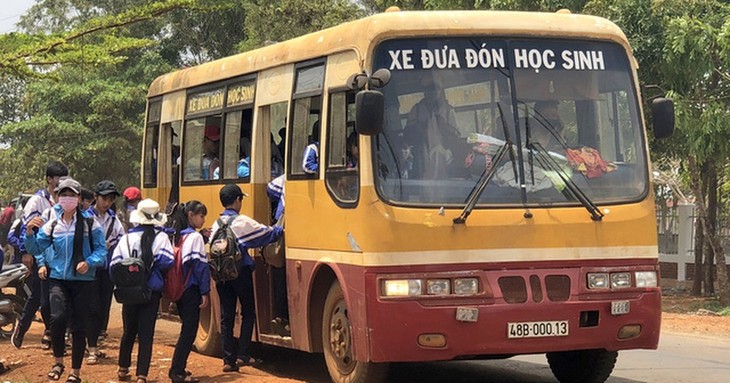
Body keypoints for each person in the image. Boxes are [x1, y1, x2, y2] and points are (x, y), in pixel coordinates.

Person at [24, 177, 108, 383]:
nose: (67, 198)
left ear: (79, 198)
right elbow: (35, 249)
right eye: (64, 195)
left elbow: (102, 250)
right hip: (57, 278)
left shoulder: (90, 223)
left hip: (82, 280)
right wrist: (28, 233)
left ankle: (75, 372)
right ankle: (58, 361)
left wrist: (89, 262)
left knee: (79, 326)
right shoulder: (52, 225)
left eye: (72, 195)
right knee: (58, 318)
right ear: (58, 198)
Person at [213, 184, 283, 372]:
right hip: (239, 273)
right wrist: (281, 226)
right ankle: (243, 354)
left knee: (226, 317)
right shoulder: (241, 221)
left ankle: (228, 360)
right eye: (240, 199)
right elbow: (266, 235)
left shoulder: (216, 224)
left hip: (221, 275)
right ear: (237, 200)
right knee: (248, 312)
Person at [111, 199, 173, 383]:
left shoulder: (126, 238)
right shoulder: (161, 238)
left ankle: (123, 368)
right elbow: (167, 261)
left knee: (129, 330)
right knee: (146, 333)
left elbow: (114, 264)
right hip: (150, 291)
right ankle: (142, 375)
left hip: (129, 291)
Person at [10, 161, 68, 351]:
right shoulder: (37, 201)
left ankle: (49, 333)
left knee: (48, 296)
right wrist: (27, 252)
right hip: (39, 253)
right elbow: (28, 227)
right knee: (40, 297)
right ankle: (29, 330)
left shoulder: (65, 200)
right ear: (49, 179)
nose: (61, 182)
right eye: (58, 178)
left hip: (59, 255)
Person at [167, 201, 211, 383]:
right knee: (189, 331)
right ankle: (177, 371)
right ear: (191, 215)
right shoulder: (195, 238)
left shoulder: (178, 236)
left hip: (179, 289)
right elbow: (199, 266)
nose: (203, 220)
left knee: (187, 329)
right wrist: (205, 291)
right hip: (190, 289)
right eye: (201, 216)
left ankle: (179, 368)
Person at [85, 180, 125, 364]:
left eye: (110, 199)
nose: (107, 202)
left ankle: (94, 343)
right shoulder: (85, 218)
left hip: (107, 270)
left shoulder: (114, 220)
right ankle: (91, 347)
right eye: (104, 198)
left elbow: (121, 241)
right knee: (91, 307)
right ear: (95, 197)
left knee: (103, 308)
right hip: (89, 270)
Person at [403, 75, 461, 179]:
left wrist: (443, 126)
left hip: (445, 158)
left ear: (440, 91)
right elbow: (407, 136)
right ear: (424, 91)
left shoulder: (448, 110)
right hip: (421, 158)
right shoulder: (416, 110)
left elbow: (457, 138)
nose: (432, 92)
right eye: (429, 89)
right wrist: (420, 127)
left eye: (435, 89)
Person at [265, 176, 289, 336]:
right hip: (284, 228)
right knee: (280, 271)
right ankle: (282, 317)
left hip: (282, 228)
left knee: (280, 271)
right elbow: (270, 188)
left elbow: (271, 189)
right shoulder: (288, 178)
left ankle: (281, 317)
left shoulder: (285, 179)